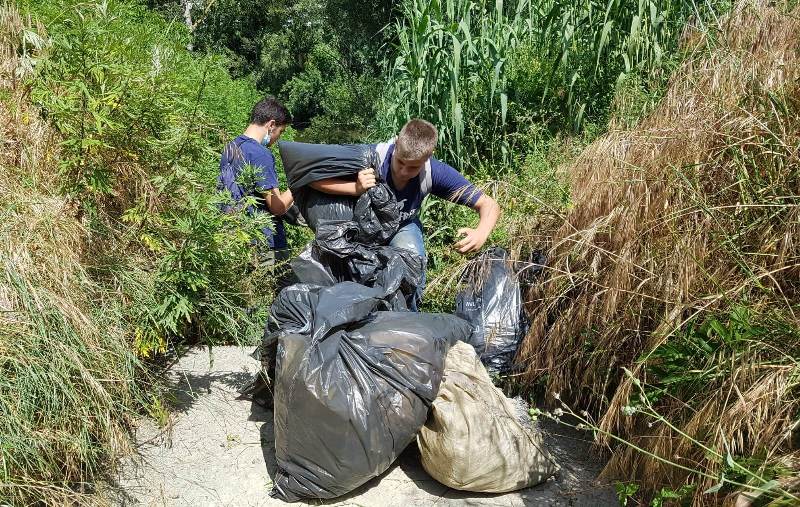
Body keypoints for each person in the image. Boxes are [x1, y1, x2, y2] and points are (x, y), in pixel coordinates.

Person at [309, 118, 501, 310]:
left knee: (412, 266)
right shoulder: (368, 157)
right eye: (400, 162)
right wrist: (355, 187)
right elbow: (311, 177)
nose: (403, 171)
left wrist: (481, 232)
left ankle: (409, 319)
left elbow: (489, 204)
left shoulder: (435, 173)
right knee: (349, 275)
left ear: (428, 156)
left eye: (413, 167)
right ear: (396, 142)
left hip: (402, 226)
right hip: (362, 227)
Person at [217, 97, 294, 263]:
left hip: (235, 236)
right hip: (263, 244)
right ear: (271, 125)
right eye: (280, 132)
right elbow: (277, 207)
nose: (277, 138)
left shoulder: (231, 147)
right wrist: (298, 184)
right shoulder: (260, 153)